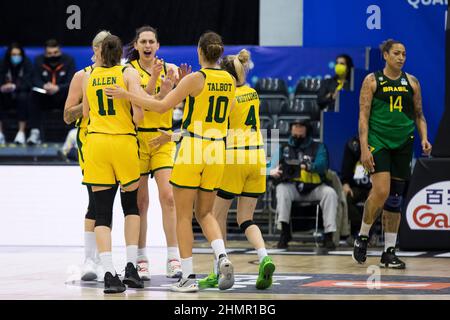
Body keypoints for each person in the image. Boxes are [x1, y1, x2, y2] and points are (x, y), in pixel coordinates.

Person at [105, 31, 236, 293]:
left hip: (193, 148)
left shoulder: (195, 78)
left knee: (184, 215)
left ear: (200, 51)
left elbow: (162, 107)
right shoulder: (230, 80)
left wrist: (127, 95)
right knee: (206, 213)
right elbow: (222, 115)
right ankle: (222, 256)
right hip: (217, 149)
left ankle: (186, 276)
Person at [197, 49, 275, 290]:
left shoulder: (226, 96)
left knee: (215, 216)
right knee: (245, 218)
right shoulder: (252, 93)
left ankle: (221, 270)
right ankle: (264, 257)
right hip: (258, 156)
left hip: (234, 156)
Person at [353, 39, 432, 269]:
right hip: (379, 140)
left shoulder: (412, 82)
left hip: (403, 143)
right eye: (396, 53)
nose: (401, 57)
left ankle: (389, 252)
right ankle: (363, 236)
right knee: (381, 190)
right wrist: (365, 147)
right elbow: (363, 116)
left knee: (395, 199)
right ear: (385, 55)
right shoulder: (372, 80)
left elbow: (419, 114)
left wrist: (424, 137)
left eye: (404, 54)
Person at [82, 34, 146, 294]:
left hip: (96, 144)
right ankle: (131, 267)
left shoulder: (88, 75)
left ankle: (108, 273)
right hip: (123, 143)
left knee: (102, 212)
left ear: (99, 52)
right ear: (121, 52)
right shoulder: (128, 72)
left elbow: (85, 114)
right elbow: (139, 115)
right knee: (130, 206)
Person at [124, 26, 183, 280]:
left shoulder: (170, 69)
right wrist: (158, 86)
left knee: (169, 196)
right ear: (136, 45)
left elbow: (172, 105)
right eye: (143, 41)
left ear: (158, 45)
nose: (147, 46)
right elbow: (140, 101)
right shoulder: (129, 71)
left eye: (151, 41)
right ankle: (141, 258)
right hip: (137, 140)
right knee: (141, 203)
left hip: (163, 138)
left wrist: (172, 88)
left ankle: (173, 257)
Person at [63, 30, 112, 282]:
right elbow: (67, 115)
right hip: (91, 140)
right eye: (102, 47)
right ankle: (91, 259)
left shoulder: (122, 74)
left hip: (120, 141)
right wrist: (89, 103)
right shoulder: (82, 75)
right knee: (96, 200)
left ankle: (118, 259)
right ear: (94, 50)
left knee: (124, 203)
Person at [270, 118, 338, 249]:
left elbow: (322, 165)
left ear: (307, 129)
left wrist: (307, 166)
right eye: (295, 126)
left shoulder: (318, 147)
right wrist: (277, 172)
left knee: (330, 193)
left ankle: (329, 235)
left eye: (301, 126)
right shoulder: (284, 148)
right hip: (293, 188)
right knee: (281, 190)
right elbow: (273, 167)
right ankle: (284, 233)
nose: (297, 129)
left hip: (314, 188)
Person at [29, 39, 76, 144]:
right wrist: (44, 86)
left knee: (75, 95)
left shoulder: (69, 60)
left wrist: (58, 88)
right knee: (33, 95)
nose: (53, 55)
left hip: (63, 97)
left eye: (55, 53)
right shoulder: (38, 60)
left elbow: (72, 81)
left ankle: (74, 133)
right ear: (45, 53)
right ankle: (35, 132)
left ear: (60, 51)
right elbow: (34, 79)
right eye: (49, 53)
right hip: (45, 96)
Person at [340, 136, 372, 244]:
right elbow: (346, 168)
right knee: (346, 198)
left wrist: (376, 188)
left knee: (378, 200)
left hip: (374, 186)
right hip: (356, 186)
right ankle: (360, 230)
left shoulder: (381, 143)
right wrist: (345, 184)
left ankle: (370, 233)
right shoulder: (352, 144)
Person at [0, 43, 33, 145]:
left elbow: (29, 83)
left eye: (18, 54)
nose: (16, 57)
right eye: (13, 54)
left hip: (21, 95)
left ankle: (21, 132)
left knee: (23, 97)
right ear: (9, 55)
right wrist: (2, 87)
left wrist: (15, 87)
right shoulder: (3, 64)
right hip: (5, 95)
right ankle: (0, 133)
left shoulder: (27, 63)